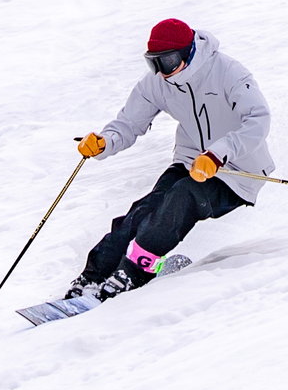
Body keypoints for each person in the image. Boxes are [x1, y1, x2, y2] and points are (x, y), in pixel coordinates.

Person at [67, 18, 274, 302]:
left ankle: (134, 272)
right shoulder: (156, 84)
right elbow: (128, 124)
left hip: (238, 171)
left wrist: (218, 153)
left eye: (168, 61)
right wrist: (104, 142)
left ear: (190, 52)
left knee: (180, 199)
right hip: (191, 161)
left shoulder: (228, 73)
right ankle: (92, 277)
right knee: (143, 211)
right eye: (154, 63)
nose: (161, 72)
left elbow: (258, 120)